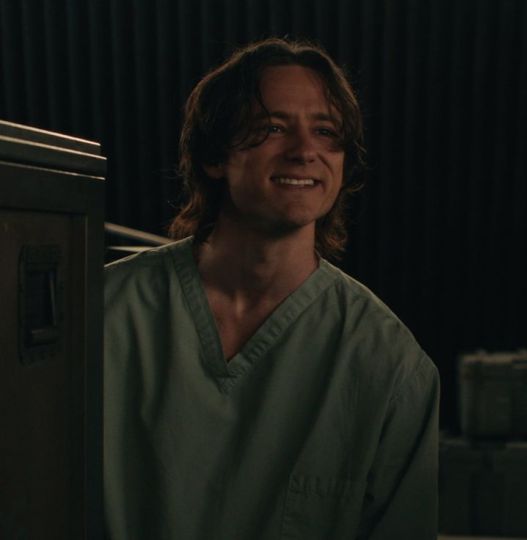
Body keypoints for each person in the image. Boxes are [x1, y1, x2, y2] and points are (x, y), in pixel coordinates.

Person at [104, 38, 439, 540]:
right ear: (215, 155)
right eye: (273, 128)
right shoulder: (104, 315)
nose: (304, 151)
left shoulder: (388, 364)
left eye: (325, 131)